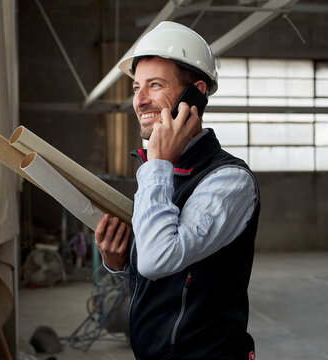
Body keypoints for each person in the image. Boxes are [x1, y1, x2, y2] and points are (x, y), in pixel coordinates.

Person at [95, 21, 260, 360]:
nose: (139, 100)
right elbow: (175, 270)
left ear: (195, 93)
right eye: (136, 87)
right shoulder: (162, 171)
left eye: (154, 85)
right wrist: (120, 261)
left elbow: (159, 259)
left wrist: (157, 163)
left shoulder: (229, 180)